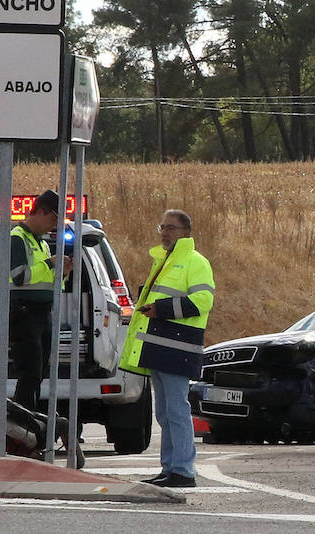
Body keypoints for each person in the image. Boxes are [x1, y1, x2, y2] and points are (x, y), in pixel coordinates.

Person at [120, 209, 215, 489]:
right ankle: (170, 468)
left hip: (178, 348)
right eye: (163, 227)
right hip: (161, 347)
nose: (165, 232)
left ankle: (183, 471)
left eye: (171, 228)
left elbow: (202, 301)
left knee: (176, 410)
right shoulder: (164, 261)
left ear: (186, 232)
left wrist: (160, 309)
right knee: (165, 412)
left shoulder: (194, 261)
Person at [9, 189, 72, 413]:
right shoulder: (17, 237)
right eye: (53, 218)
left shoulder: (42, 244)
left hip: (43, 313)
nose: (54, 225)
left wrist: (62, 273)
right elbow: (19, 276)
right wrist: (50, 264)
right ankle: (20, 422)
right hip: (24, 313)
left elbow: (47, 284)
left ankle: (29, 419)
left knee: (39, 372)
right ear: (41, 211)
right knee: (30, 372)